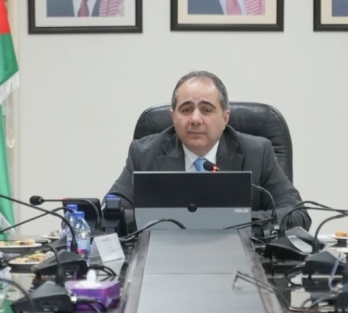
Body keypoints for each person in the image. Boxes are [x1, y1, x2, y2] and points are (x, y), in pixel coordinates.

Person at [107, 71, 310, 229]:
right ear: (173, 117)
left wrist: (234, 221)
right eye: (186, 110)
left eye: (206, 110)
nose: (195, 119)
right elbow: (110, 214)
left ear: (225, 118)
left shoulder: (258, 153)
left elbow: (297, 215)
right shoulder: (144, 154)